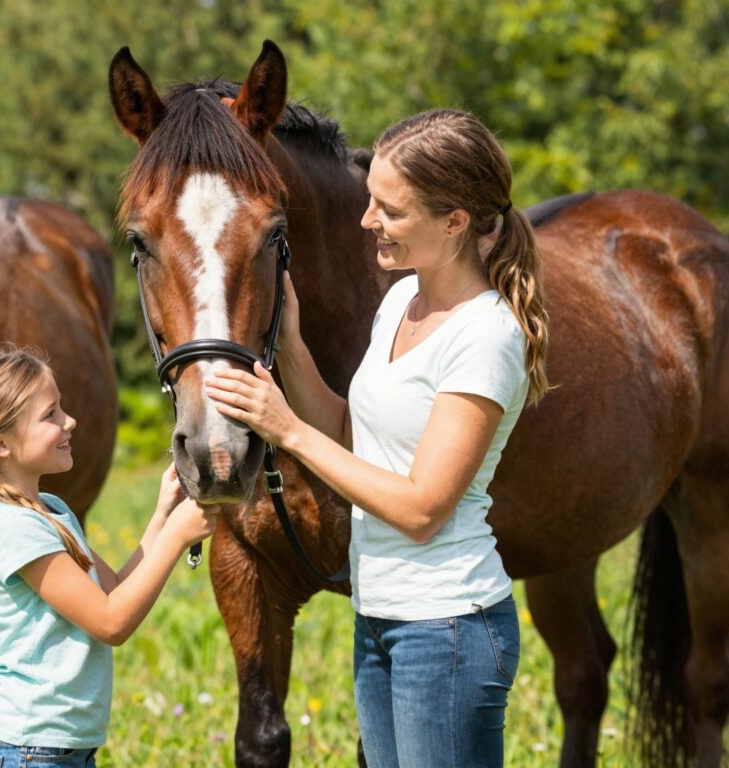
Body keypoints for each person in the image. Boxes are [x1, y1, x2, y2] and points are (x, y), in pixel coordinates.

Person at [205, 108, 549, 767]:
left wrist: (287, 433)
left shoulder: (485, 336)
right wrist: (292, 347)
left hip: (447, 628)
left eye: (390, 210)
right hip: (381, 619)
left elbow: (422, 509)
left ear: (454, 222)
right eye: (371, 201)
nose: (368, 222)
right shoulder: (400, 303)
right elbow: (349, 431)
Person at [0, 344, 216, 768]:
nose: (70, 421)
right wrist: (176, 537)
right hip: (25, 753)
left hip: (51, 752)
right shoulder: (12, 527)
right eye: (51, 415)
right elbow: (111, 623)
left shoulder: (50, 510)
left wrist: (162, 516)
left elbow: (112, 591)